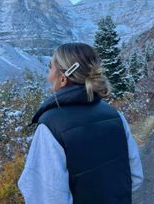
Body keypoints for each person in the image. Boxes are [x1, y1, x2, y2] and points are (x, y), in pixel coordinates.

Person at [18, 42, 143, 204]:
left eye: (50, 68)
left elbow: (45, 196)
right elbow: (135, 177)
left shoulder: (50, 126)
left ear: (63, 78)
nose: (48, 76)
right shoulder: (115, 116)